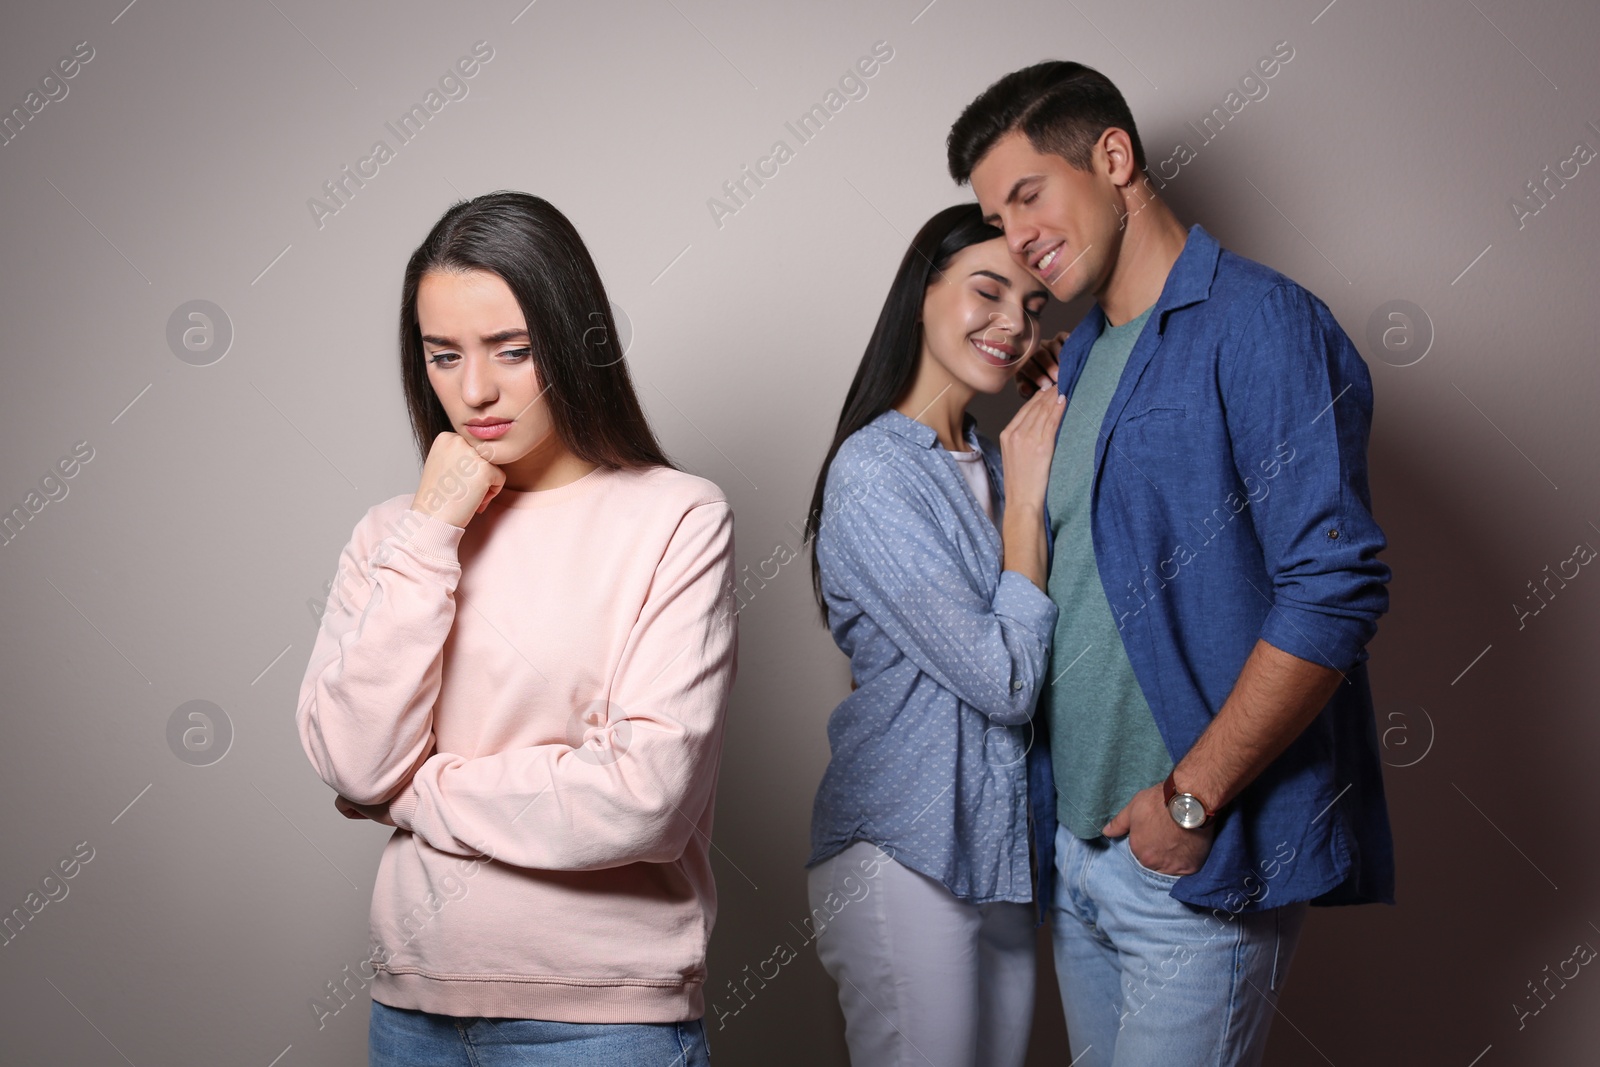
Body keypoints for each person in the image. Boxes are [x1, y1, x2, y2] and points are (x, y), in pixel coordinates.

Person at [947, 62, 1394, 1066]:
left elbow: (1333, 586)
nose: (1015, 235)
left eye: (1029, 195)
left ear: (1114, 157)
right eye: (994, 215)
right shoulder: (1091, 352)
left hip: (1188, 854)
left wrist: (1190, 802)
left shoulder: (1260, 322)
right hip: (1082, 846)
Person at [294, 191, 736, 1066]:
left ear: (575, 343)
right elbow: (352, 758)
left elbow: (642, 797)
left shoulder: (676, 517)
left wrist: (413, 792)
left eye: (513, 350)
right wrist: (433, 530)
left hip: (604, 1023)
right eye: (444, 356)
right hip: (411, 1008)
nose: (475, 391)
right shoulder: (395, 534)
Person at [802, 202, 1067, 1067]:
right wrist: (1025, 501)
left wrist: (1064, 405)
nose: (1011, 323)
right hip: (903, 850)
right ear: (923, 292)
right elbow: (1005, 679)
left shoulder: (999, 458)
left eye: (1033, 307)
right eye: (987, 291)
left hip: (1002, 850)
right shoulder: (873, 471)